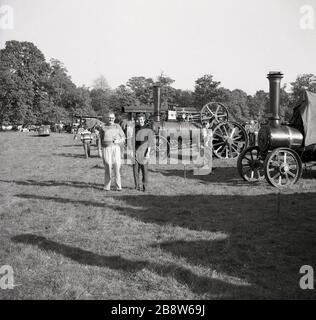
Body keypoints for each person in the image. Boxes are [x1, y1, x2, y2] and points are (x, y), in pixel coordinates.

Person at [98, 111, 126, 191]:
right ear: (107, 118)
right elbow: (99, 139)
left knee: (117, 167)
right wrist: (99, 150)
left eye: (112, 118)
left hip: (116, 149)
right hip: (106, 149)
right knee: (108, 166)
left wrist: (119, 140)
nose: (111, 119)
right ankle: (107, 187)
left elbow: (123, 137)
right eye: (109, 118)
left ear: (114, 118)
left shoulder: (117, 126)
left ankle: (118, 186)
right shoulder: (103, 127)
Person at [133, 113, 154, 192]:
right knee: (135, 171)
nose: (140, 121)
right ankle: (136, 186)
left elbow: (150, 142)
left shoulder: (148, 129)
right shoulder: (135, 128)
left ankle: (145, 187)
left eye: (141, 119)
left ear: (144, 120)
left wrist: (148, 153)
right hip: (135, 152)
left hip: (144, 152)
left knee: (144, 171)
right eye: (138, 120)